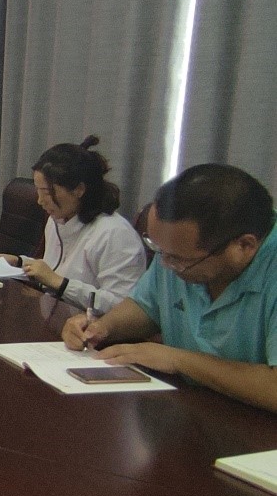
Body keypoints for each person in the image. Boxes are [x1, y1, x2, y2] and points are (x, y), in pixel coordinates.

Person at [63, 163, 277, 412]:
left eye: (178, 259)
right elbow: (146, 307)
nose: (164, 264)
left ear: (244, 246)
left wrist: (178, 359)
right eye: (158, 250)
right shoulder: (179, 249)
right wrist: (103, 327)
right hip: (193, 408)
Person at [0, 136, 145, 312]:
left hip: (91, 325)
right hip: (57, 318)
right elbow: (54, 269)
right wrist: (18, 262)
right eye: (38, 191)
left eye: (47, 192)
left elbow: (123, 307)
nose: (40, 201)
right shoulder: (57, 220)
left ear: (79, 189)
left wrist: (60, 284)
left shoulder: (114, 234)